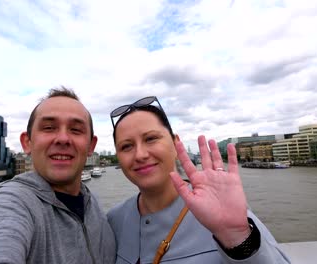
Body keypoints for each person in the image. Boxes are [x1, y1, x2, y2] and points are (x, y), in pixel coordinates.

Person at [107, 96, 291, 263]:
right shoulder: (114, 219)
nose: (140, 154)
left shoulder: (219, 208)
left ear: (175, 142)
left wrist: (237, 238)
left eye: (151, 138)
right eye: (126, 146)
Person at [0, 87, 116, 263]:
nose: (63, 138)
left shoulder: (93, 204)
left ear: (91, 146)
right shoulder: (10, 202)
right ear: (27, 142)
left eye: (76, 130)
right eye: (49, 128)